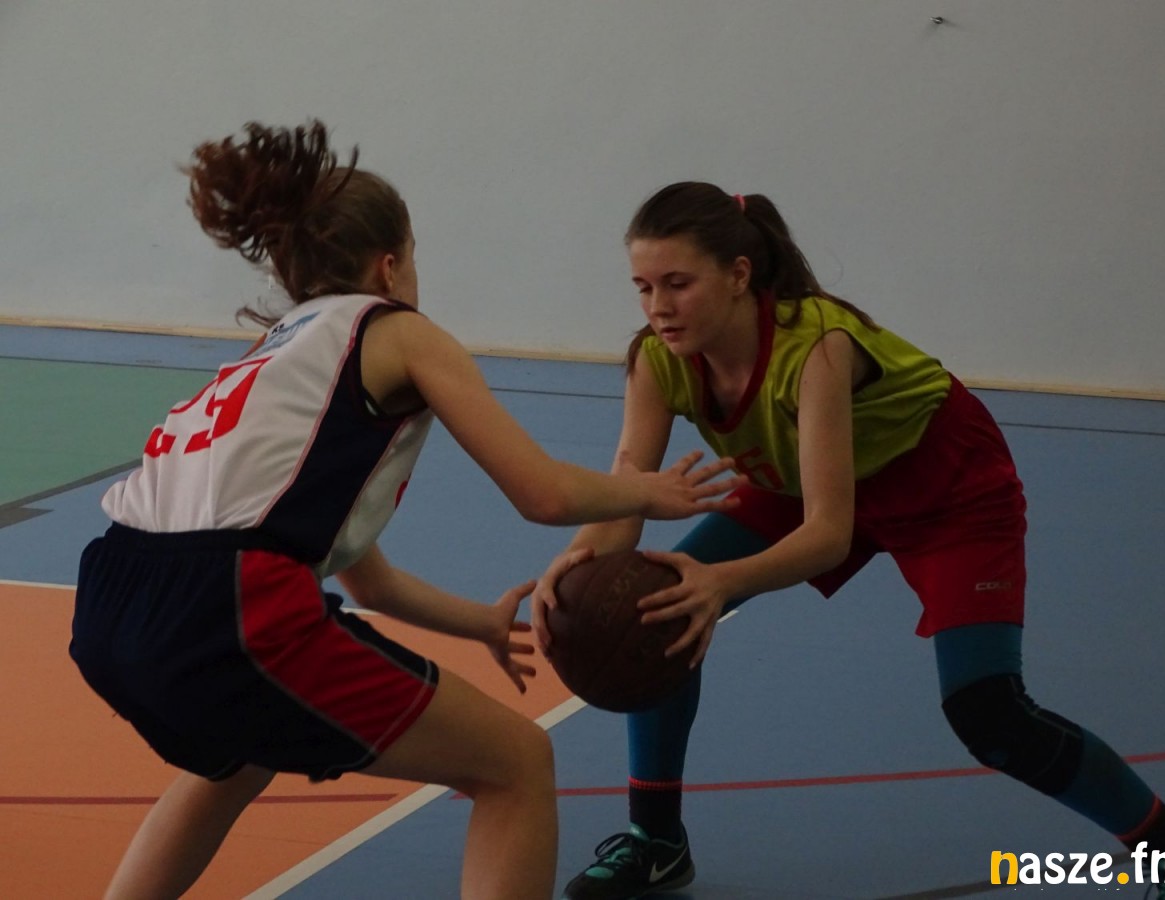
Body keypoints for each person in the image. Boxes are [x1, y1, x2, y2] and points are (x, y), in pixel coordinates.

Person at [67, 127, 744, 900]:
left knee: (233, 759)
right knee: (517, 763)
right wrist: (648, 493)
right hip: (227, 603)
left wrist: (479, 623)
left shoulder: (277, 354)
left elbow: (370, 584)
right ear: (390, 265)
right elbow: (544, 495)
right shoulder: (396, 331)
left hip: (110, 601)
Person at [532, 181, 1165, 900]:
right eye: (643, 287)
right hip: (799, 476)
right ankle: (658, 841)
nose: (658, 307)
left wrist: (720, 582)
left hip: (944, 485)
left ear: (738, 275)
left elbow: (828, 533)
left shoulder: (817, 348)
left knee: (989, 712)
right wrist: (572, 568)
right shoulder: (657, 360)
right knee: (656, 612)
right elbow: (626, 496)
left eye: (677, 283)